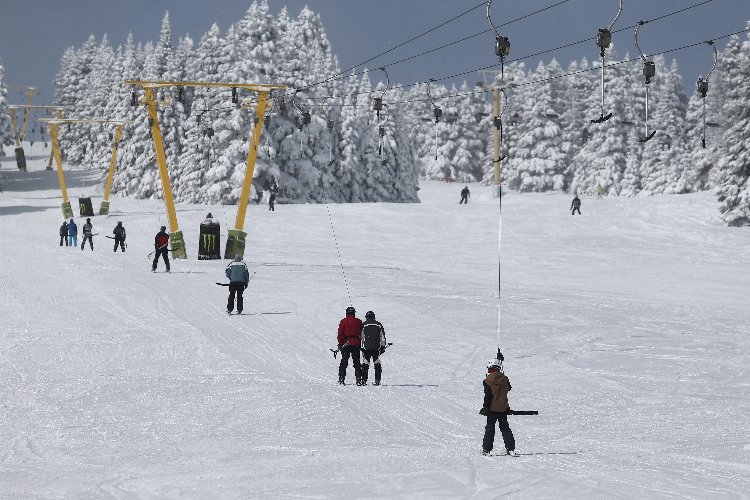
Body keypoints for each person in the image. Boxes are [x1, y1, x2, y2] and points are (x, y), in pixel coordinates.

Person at [480, 358, 516, 456]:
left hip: (491, 409)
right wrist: (503, 374)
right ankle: (511, 448)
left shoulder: (488, 380)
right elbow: (509, 388)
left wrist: (485, 407)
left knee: (490, 429)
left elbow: (488, 396)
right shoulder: (505, 379)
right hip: (503, 409)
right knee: (505, 428)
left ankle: (486, 449)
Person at [337, 306, 363, 385]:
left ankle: (341, 378)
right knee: (357, 362)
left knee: (344, 361)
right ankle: (358, 379)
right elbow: (361, 333)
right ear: (354, 313)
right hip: (356, 343)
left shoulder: (343, 321)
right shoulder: (359, 321)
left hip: (346, 343)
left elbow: (340, 333)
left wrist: (340, 343)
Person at [360, 310, 387, 386]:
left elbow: (361, 336)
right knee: (377, 362)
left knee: (366, 362)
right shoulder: (379, 324)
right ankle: (377, 380)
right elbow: (382, 337)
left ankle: (364, 380)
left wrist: (360, 346)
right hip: (376, 347)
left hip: (366, 347)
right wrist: (383, 346)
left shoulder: (364, 324)